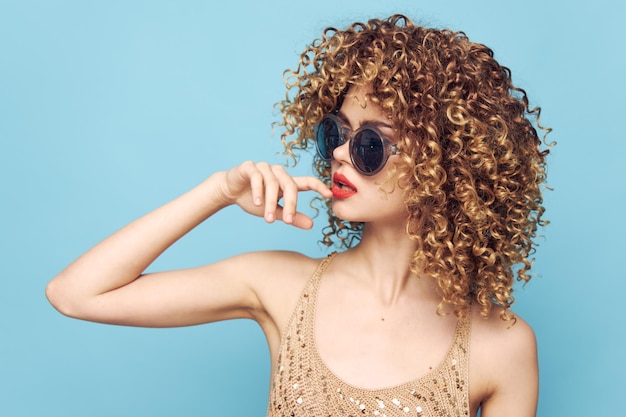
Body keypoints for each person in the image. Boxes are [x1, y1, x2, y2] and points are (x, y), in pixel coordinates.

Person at [46, 14, 551, 417]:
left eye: (371, 143)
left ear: (446, 166)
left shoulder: (501, 347)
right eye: (336, 132)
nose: (339, 154)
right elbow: (75, 294)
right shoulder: (278, 284)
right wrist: (219, 190)